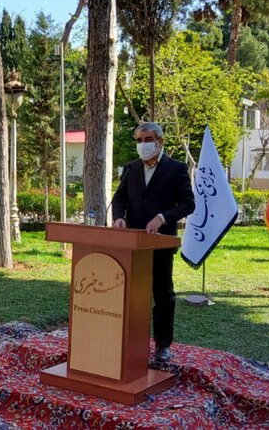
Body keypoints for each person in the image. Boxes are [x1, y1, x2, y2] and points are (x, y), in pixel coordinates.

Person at [112, 122, 195, 362]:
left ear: (160, 141)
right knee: (131, 294)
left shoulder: (176, 169)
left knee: (163, 294)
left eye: (147, 139)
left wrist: (162, 217)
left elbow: (188, 204)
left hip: (160, 242)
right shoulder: (131, 169)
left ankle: (162, 345)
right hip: (133, 242)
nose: (143, 145)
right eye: (139, 140)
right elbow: (119, 198)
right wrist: (118, 217)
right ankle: (129, 341)